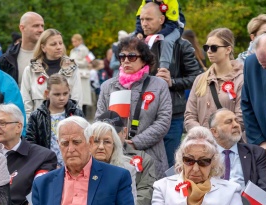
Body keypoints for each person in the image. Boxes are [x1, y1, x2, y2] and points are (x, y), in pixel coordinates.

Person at [96, 36, 173, 178]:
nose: (126, 60)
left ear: (144, 59)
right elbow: (99, 120)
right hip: (115, 154)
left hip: (150, 153)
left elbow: (163, 121)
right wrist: (116, 141)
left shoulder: (159, 85)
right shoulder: (107, 86)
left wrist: (136, 142)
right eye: (122, 56)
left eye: (131, 56)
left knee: (149, 197)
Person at [138, 2, 203, 167]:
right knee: (145, 166)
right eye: (142, 19)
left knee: (170, 167)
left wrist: (172, 82)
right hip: (143, 116)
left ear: (161, 19)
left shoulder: (182, 45)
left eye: (149, 19)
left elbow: (197, 78)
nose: (144, 23)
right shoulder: (137, 45)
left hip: (173, 117)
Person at [241, 34, 266, 203]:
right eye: (264, 66)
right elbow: (247, 105)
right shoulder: (251, 64)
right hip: (265, 152)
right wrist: (260, 141)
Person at [185, 28, 243, 132]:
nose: (209, 51)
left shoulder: (241, 79)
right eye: (206, 47)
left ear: (228, 49)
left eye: (214, 48)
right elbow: (190, 116)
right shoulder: (200, 79)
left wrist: (217, 134)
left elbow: (241, 117)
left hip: (230, 143)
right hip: (203, 142)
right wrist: (204, 135)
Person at [20, 29, 82, 117]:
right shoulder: (30, 70)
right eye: (53, 44)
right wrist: (30, 126)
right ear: (43, 47)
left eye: (60, 43)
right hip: (38, 126)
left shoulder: (72, 69)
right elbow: (25, 102)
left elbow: (77, 101)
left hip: (66, 125)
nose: (58, 47)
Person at [27, 73, 85, 167]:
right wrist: (45, 164)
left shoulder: (76, 113)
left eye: (65, 93)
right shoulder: (37, 116)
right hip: (47, 165)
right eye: (57, 94)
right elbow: (31, 144)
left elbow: (84, 139)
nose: (62, 98)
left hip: (74, 164)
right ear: (47, 93)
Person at [0, 12, 45, 86]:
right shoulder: (6, 59)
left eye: (42, 26)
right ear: (22, 28)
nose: (41, 30)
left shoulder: (50, 55)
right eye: (36, 26)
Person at [134, 0, 185, 69]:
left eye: (148, 19)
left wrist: (158, 35)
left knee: (167, 41)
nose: (144, 23)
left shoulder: (172, 2)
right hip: (157, 25)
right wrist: (139, 32)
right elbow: (140, 16)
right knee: (133, 38)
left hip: (175, 27)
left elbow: (172, 23)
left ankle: (164, 67)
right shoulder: (146, 1)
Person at [69, 34, 93, 111]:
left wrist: (75, 62)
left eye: (75, 41)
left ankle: (84, 112)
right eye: (73, 42)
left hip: (82, 75)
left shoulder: (85, 49)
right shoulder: (72, 50)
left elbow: (87, 61)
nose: (74, 43)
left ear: (80, 41)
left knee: (83, 95)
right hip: (73, 74)